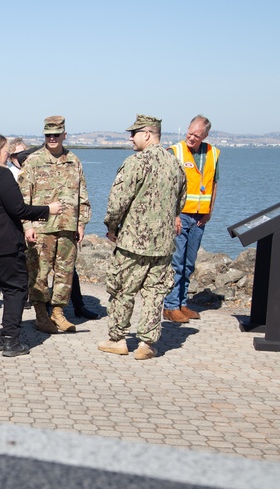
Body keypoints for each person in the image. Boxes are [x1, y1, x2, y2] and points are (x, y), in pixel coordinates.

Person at [0, 134, 59, 357]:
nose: (8, 155)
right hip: (2, 244)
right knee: (15, 289)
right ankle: (11, 340)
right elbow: (19, 209)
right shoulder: (2, 175)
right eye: (6, 151)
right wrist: (48, 210)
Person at [100, 114, 186, 360]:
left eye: (134, 133)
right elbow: (180, 203)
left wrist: (112, 227)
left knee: (123, 290)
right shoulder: (175, 164)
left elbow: (117, 202)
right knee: (154, 294)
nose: (130, 138)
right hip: (162, 244)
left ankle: (117, 339)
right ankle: (147, 344)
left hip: (133, 243)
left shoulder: (135, 163)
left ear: (147, 134)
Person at [18, 116, 90, 335]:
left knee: (65, 273)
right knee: (39, 273)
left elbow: (82, 195)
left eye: (56, 135)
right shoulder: (33, 161)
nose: (51, 138)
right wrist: (27, 225)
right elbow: (23, 197)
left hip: (67, 227)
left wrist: (81, 222)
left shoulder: (74, 161)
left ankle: (58, 312)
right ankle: (41, 314)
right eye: (48, 134)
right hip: (41, 228)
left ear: (64, 135)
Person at [163, 115, 220, 323]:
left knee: (189, 263)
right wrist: (174, 214)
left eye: (196, 135)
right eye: (190, 132)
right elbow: (168, 188)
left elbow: (213, 184)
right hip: (181, 215)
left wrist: (209, 211)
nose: (192, 137)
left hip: (199, 217)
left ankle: (182, 302)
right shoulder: (175, 152)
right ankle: (170, 306)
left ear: (205, 135)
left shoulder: (212, 154)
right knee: (176, 263)